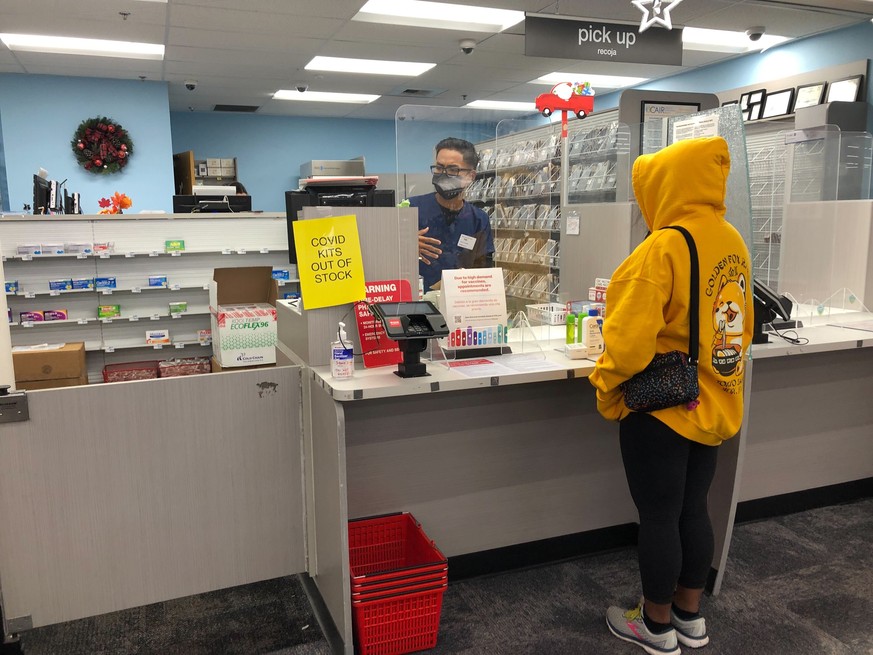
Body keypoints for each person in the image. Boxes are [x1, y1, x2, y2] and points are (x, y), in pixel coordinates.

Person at [588, 136, 753, 655]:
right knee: (692, 509)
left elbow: (629, 342)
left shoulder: (663, 247)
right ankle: (689, 615)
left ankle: (654, 627)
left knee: (657, 515)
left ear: (663, 186)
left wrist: (606, 388)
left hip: (662, 407)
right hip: (715, 400)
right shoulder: (732, 240)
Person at [410, 137, 494, 291]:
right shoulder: (410, 209)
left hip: (461, 302)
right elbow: (384, 256)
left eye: (453, 170)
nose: (443, 174)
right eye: (439, 167)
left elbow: (483, 271)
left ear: (470, 176)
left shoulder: (478, 219)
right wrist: (404, 245)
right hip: (417, 302)